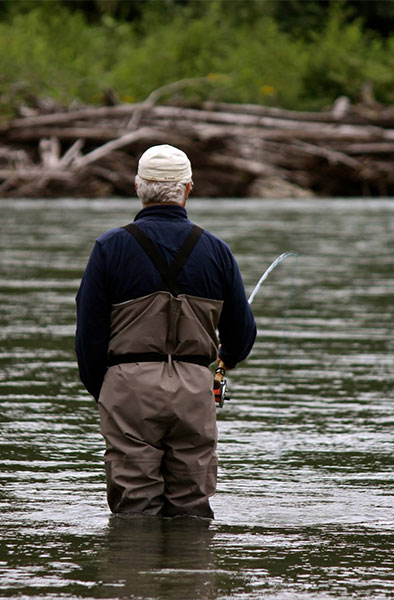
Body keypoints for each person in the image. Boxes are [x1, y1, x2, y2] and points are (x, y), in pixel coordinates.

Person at [75, 144, 257, 518]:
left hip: (128, 387)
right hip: (194, 386)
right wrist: (224, 362)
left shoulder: (110, 247)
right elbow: (241, 335)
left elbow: (88, 337)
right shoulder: (216, 250)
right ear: (188, 189)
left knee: (135, 508)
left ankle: (137, 571)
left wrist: (106, 390)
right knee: (192, 506)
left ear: (139, 187)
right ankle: (188, 574)